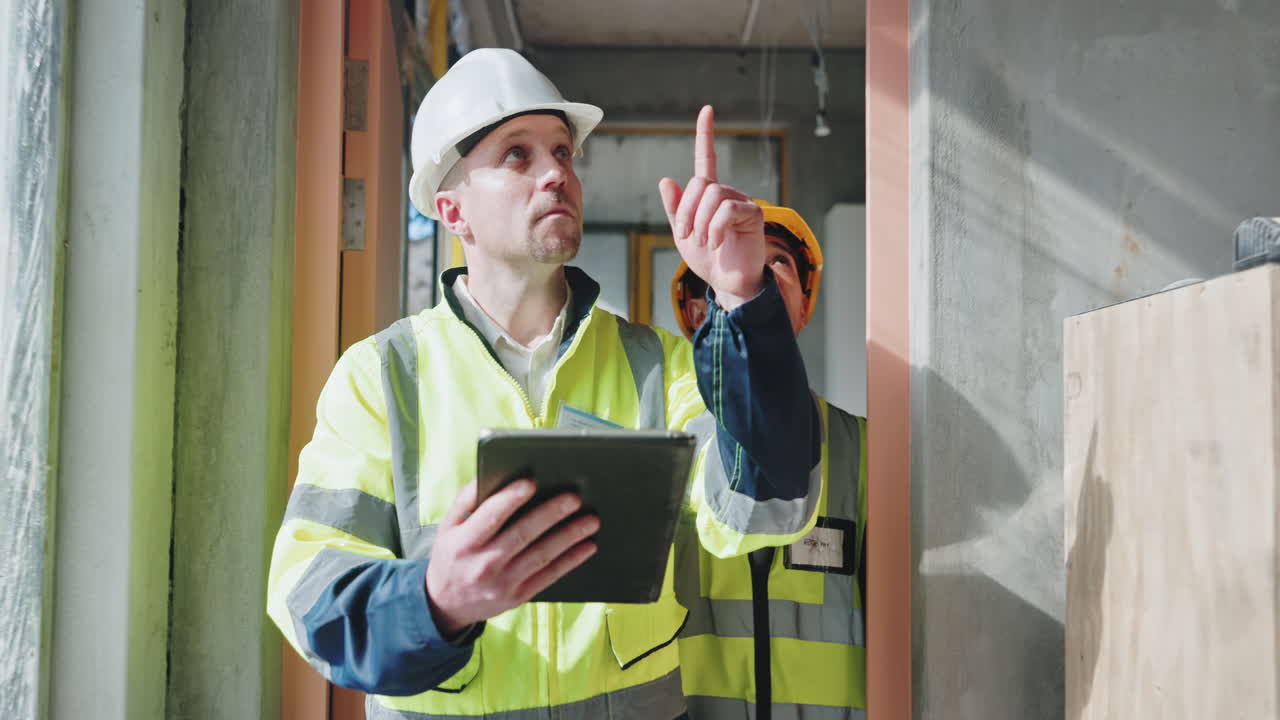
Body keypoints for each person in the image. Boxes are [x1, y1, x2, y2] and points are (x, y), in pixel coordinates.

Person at [266, 48, 822, 720]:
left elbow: (767, 514)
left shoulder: (660, 367)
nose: (557, 171)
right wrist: (435, 600)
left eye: (563, 151)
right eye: (517, 155)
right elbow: (308, 596)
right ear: (452, 211)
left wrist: (743, 300)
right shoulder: (380, 379)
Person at [671, 201, 868, 720]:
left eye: (776, 261)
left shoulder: (865, 450)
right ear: (697, 313)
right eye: (731, 265)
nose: (752, 271)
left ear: (805, 306)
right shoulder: (664, 444)